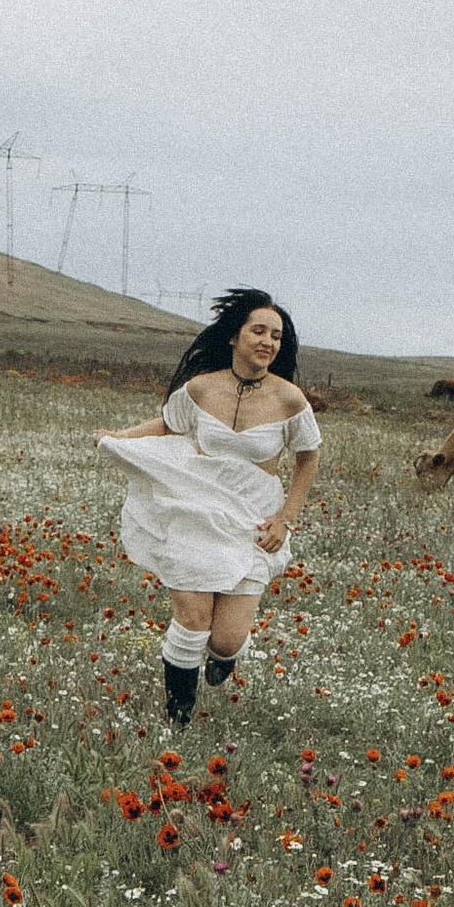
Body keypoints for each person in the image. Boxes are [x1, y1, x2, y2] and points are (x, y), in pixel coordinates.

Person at [99, 288, 321, 726]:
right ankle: (177, 718)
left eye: (276, 336)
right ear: (234, 337)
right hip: (195, 508)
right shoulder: (200, 388)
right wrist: (119, 437)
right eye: (258, 331)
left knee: (224, 640)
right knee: (192, 615)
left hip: (253, 520)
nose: (267, 342)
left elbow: (308, 456)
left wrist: (285, 519)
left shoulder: (290, 399)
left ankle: (223, 658)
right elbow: (167, 424)